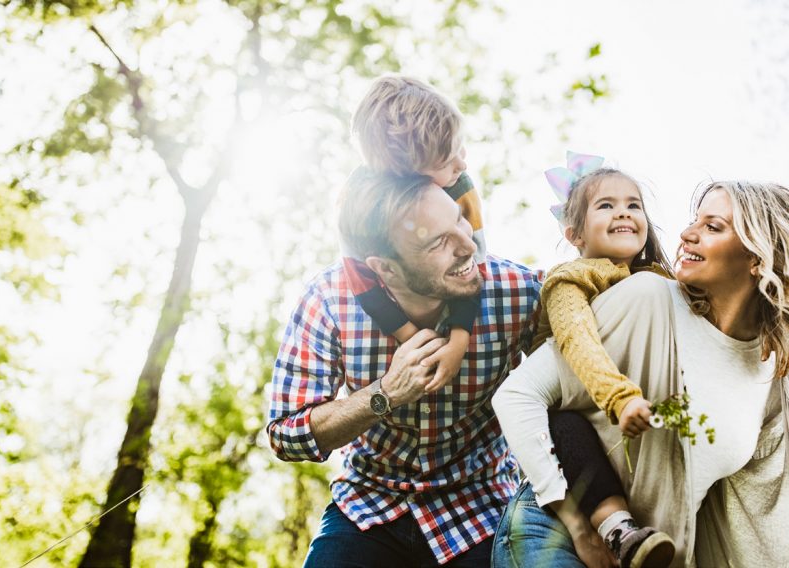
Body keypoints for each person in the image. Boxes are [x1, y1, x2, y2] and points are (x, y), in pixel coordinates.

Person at [492, 181, 789, 568]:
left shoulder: (772, 370)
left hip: (647, 554)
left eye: (712, 227)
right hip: (561, 528)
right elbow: (518, 395)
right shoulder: (648, 297)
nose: (686, 234)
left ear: (758, 258)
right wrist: (580, 529)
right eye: (696, 221)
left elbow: (754, 510)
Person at [267, 169, 541, 567]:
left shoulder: (516, 292)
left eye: (460, 219)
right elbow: (286, 435)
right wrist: (384, 394)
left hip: (481, 509)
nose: (468, 246)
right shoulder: (329, 299)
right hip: (367, 506)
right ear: (386, 269)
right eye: (438, 243)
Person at [526, 151, 677, 568]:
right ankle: (617, 529)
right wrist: (620, 397)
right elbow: (578, 342)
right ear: (574, 234)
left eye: (634, 205)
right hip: (579, 412)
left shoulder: (661, 283)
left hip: (637, 421)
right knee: (566, 427)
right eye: (606, 205)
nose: (624, 213)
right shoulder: (569, 281)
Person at [346, 75, 485, 392]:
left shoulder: (460, 187)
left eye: (459, 147)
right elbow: (362, 282)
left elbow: (472, 267)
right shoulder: (358, 210)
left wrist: (459, 340)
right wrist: (414, 339)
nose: (462, 163)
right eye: (447, 160)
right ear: (405, 174)